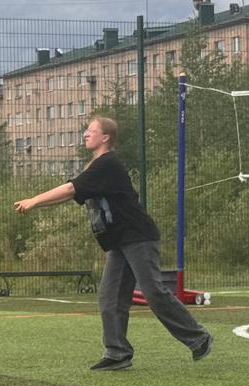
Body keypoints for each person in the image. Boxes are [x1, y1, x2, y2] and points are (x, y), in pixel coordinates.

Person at [13, 116, 212, 371]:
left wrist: (34, 200)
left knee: (153, 292)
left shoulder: (107, 163)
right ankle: (118, 353)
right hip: (120, 242)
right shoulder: (96, 166)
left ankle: (199, 338)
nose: (86, 134)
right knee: (110, 295)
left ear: (105, 137)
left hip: (137, 236)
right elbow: (72, 193)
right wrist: (35, 204)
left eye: (91, 130)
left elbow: (70, 189)